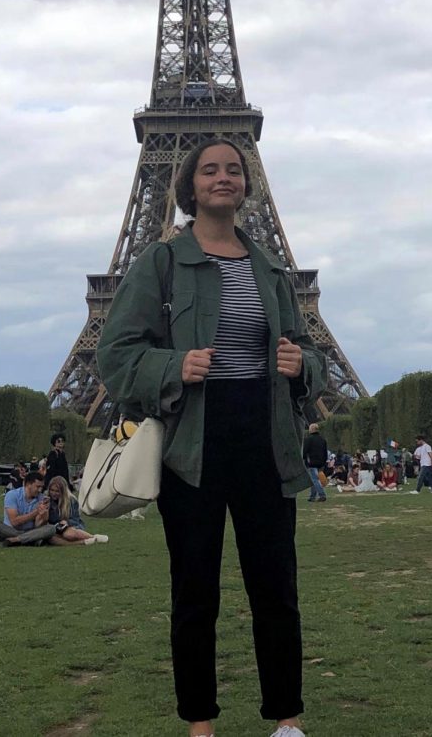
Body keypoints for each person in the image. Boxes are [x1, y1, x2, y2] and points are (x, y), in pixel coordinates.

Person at [98, 138, 327, 737]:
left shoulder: (269, 268)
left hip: (265, 437)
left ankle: (287, 720)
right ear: (188, 185)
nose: (222, 177)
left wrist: (302, 365)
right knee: (195, 592)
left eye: (233, 168)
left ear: (247, 183)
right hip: (192, 443)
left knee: (276, 589)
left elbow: (308, 349)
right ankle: (200, 723)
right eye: (209, 169)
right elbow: (115, 353)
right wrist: (174, 367)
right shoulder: (162, 262)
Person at [0, 471, 59, 547]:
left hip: (31, 530)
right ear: (28, 484)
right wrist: (36, 512)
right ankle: (31, 539)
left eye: (41, 487)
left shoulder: (41, 498)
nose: (40, 490)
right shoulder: (12, 495)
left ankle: (14, 540)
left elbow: (38, 525)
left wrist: (44, 513)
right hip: (12, 530)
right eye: (37, 487)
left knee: (51, 529)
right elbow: (14, 522)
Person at [46, 476, 108, 545]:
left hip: (72, 526)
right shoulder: (47, 500)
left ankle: (94, 537)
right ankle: (83, 542)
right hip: (55, 529)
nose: (54, 493)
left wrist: (66, 522)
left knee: (68, 535)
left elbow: (75, 520)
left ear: (63, 491)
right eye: (52, 490)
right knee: (52, 538)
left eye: (57, 491)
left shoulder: (71, 501)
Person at [302, 423, 327, 503]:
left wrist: (304, 458)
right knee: (314, 479)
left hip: (312, 462)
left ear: (312, 430)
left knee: (314, 480)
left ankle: (322, 494)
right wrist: (324, 462)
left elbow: (305, 451)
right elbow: (325, 452)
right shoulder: (323, 440)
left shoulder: (308, 439)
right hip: (321, 462)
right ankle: (312, 496)